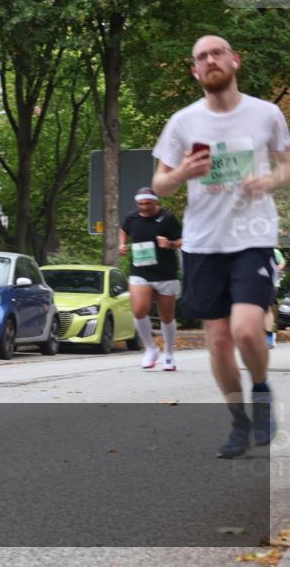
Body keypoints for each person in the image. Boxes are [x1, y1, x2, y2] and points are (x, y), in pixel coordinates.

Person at [152, 34, 290, 458]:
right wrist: (181, 174)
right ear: (195, 71)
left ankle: (261, 391)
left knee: (246, 329)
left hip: (252, 237)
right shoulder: (183, 122)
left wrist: (268, 180)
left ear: (235, 60)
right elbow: (159, 183)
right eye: (201, 57)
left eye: (217, 53)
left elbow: (286, 165)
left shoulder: (266, 114)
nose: (210, 60)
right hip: (203, 242)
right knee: (217, 341)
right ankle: (238, 422)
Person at [117, 187, 183, 371]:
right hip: (140, 271)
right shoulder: (132, 218)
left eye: (148, 204)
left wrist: (170, 244)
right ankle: (150, 349)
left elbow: (182, 240)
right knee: (139, 310)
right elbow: (123, 230)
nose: (144, 207)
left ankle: (169, 354)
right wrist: (122, 244)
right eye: (141, 204)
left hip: (165, 273)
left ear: (156, 202)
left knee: (167, 317)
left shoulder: (167, 218)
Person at [265, 248, 285, 349]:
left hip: (272, 284)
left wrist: (276, 270)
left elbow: (282, 262)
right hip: (255, 285)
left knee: (267, 309)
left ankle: (269, 337)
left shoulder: (274, 251)